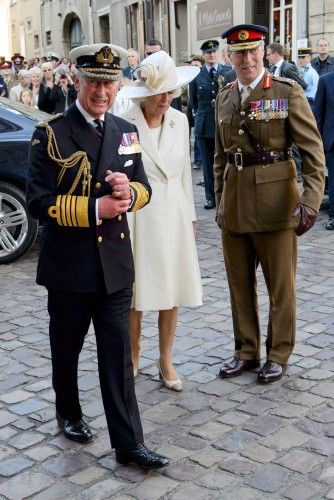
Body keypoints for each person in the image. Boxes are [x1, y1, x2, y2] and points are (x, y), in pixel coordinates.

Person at [26, 43, 169, 470]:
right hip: (69, 267)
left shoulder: (126, 130)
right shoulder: (50, 133)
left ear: (118, 84)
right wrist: (95, 209)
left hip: (115, 268)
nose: (101, 92)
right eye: (93, 82)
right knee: (66, 349)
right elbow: (37, 202)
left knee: (118, 358)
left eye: (109, 83)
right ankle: (69, 413)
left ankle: (128, 444)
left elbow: (144, 187)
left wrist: (128, 195)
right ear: (77, 82)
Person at [214, 24, 325, 384]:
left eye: (252, 51)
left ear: (263, 52)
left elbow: (313, 153)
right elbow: (220, 157)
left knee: (281, 286)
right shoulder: (224, 96)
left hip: (277, 204)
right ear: (229, 56)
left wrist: (310, 201)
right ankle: (246, 350)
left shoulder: (285, 92)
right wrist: (219, 200)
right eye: (238, 53)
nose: (246, 59)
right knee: (239, 284)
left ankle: (278, 353)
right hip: (234, 203)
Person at [119, 51, 202, 390]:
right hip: (140, 218)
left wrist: (192, 216)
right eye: (160, 93)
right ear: (144, 93)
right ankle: (134, 352)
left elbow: (183, 173)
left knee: (172, 290)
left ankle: (166, 359)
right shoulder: (124, 123)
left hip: (175, 214)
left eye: (171, 92)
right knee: (137, 293)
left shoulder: (179, 121)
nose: (166, 99)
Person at [189, 39, 231, 209]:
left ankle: (226, 195)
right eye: (208, 53)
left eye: (214, 51)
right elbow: (194, 102)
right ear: (204, 55)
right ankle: (210, 197)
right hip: (205, 124)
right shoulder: (196, 75)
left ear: (219, 53)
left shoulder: (228, 72)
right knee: (207, 164)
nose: (211, 55)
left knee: (226, 161)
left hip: (224, 123)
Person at [314, 72, 334, 230]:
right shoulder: (325, 80)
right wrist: (319, 141)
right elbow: (318, 113)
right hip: (332, 141)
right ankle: (333, 215)